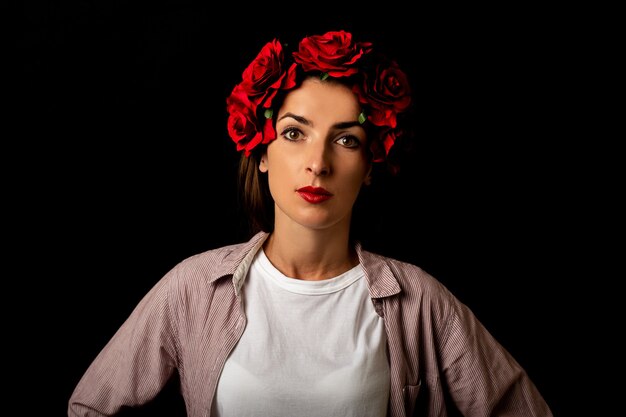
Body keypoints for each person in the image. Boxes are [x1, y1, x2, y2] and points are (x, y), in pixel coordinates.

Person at [68, 30, 553, 417]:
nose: (317, 162)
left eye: (346, 140)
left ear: (368, 168)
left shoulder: (419, 300)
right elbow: (90, 405)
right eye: (294, 133)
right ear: (260, 153)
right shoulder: (194, 288)